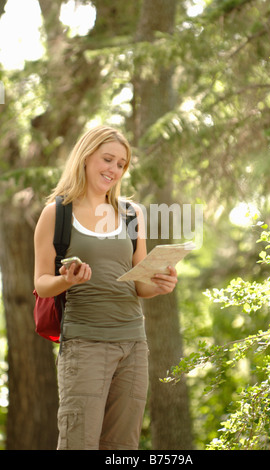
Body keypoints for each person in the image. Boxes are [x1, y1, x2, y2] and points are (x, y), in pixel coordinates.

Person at [34, 125, 178, 450]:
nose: (113, 170)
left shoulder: (131, 214)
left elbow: (139, 281)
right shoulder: (56, 214)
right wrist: (66, 280)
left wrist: (159, 285)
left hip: (133, 346)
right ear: (86, 157)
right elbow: (42, 285)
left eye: (121, 164)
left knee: (121, 449)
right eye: (108, 159)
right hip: (85, 345)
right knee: (78, 443)